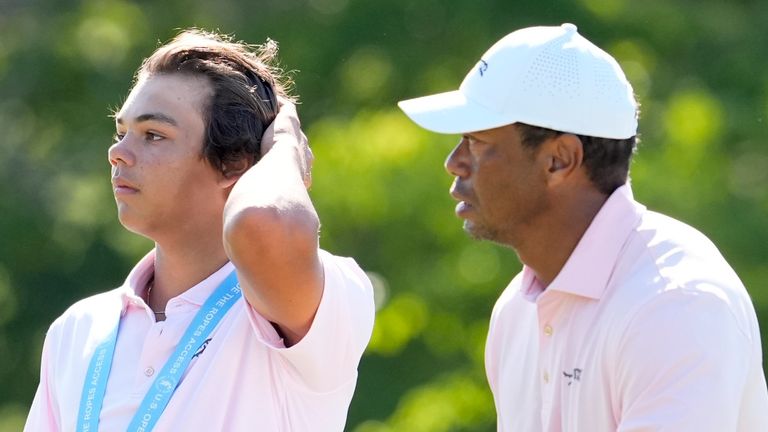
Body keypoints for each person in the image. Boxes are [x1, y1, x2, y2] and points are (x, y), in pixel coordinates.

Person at [398, 23, 768, 431]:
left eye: (478, 141)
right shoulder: (516, 311)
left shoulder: (676, 304)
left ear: (559, 159)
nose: (455, 161)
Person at [25, 29, 375, 432]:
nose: (117, 152)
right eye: (122, 132)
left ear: (236, 164)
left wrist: (284, 146)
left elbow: (263, 221)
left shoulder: (315, 297)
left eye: (153, 135)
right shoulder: (78, 329)